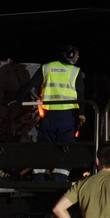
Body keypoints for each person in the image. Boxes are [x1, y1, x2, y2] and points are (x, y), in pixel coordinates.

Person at [19, 45, 85, 181]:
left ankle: (38, 177)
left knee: (44, 144)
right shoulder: (75, 71)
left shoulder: (46, 67)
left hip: (48, 115)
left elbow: (29, 86)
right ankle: (60, 178)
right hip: (67, 115)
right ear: (72, 56)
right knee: (66, 146)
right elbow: (81, 95)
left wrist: (16, 100)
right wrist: (82, 114)